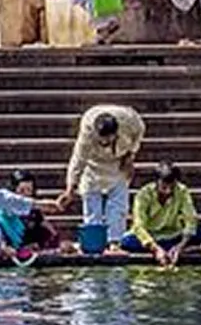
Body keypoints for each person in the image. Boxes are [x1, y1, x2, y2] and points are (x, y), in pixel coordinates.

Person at [54, 104, 145, 249]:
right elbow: (78, 159)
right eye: (102, 139)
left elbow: (140, 130)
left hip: (117, 164)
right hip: (93, 167)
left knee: (117, 207)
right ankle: (94, 243)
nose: (104, 142)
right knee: (92, 207)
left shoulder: (129, 120)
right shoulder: (87, 131)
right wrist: (70, 189)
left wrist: (131, 154)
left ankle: (115, 242)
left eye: (108, 139)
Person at [123, 162, 201, 267]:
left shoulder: (182, 191)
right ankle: (185, 249)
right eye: (164, 187)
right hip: (150, 235)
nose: (168, 191)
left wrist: (180, 247)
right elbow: (139, 226)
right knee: (127, 242)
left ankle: (178, 249)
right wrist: (155, 249)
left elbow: (191, 219)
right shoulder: (143, 194)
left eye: (172, 186)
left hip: (173, 234)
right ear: (156, 182)